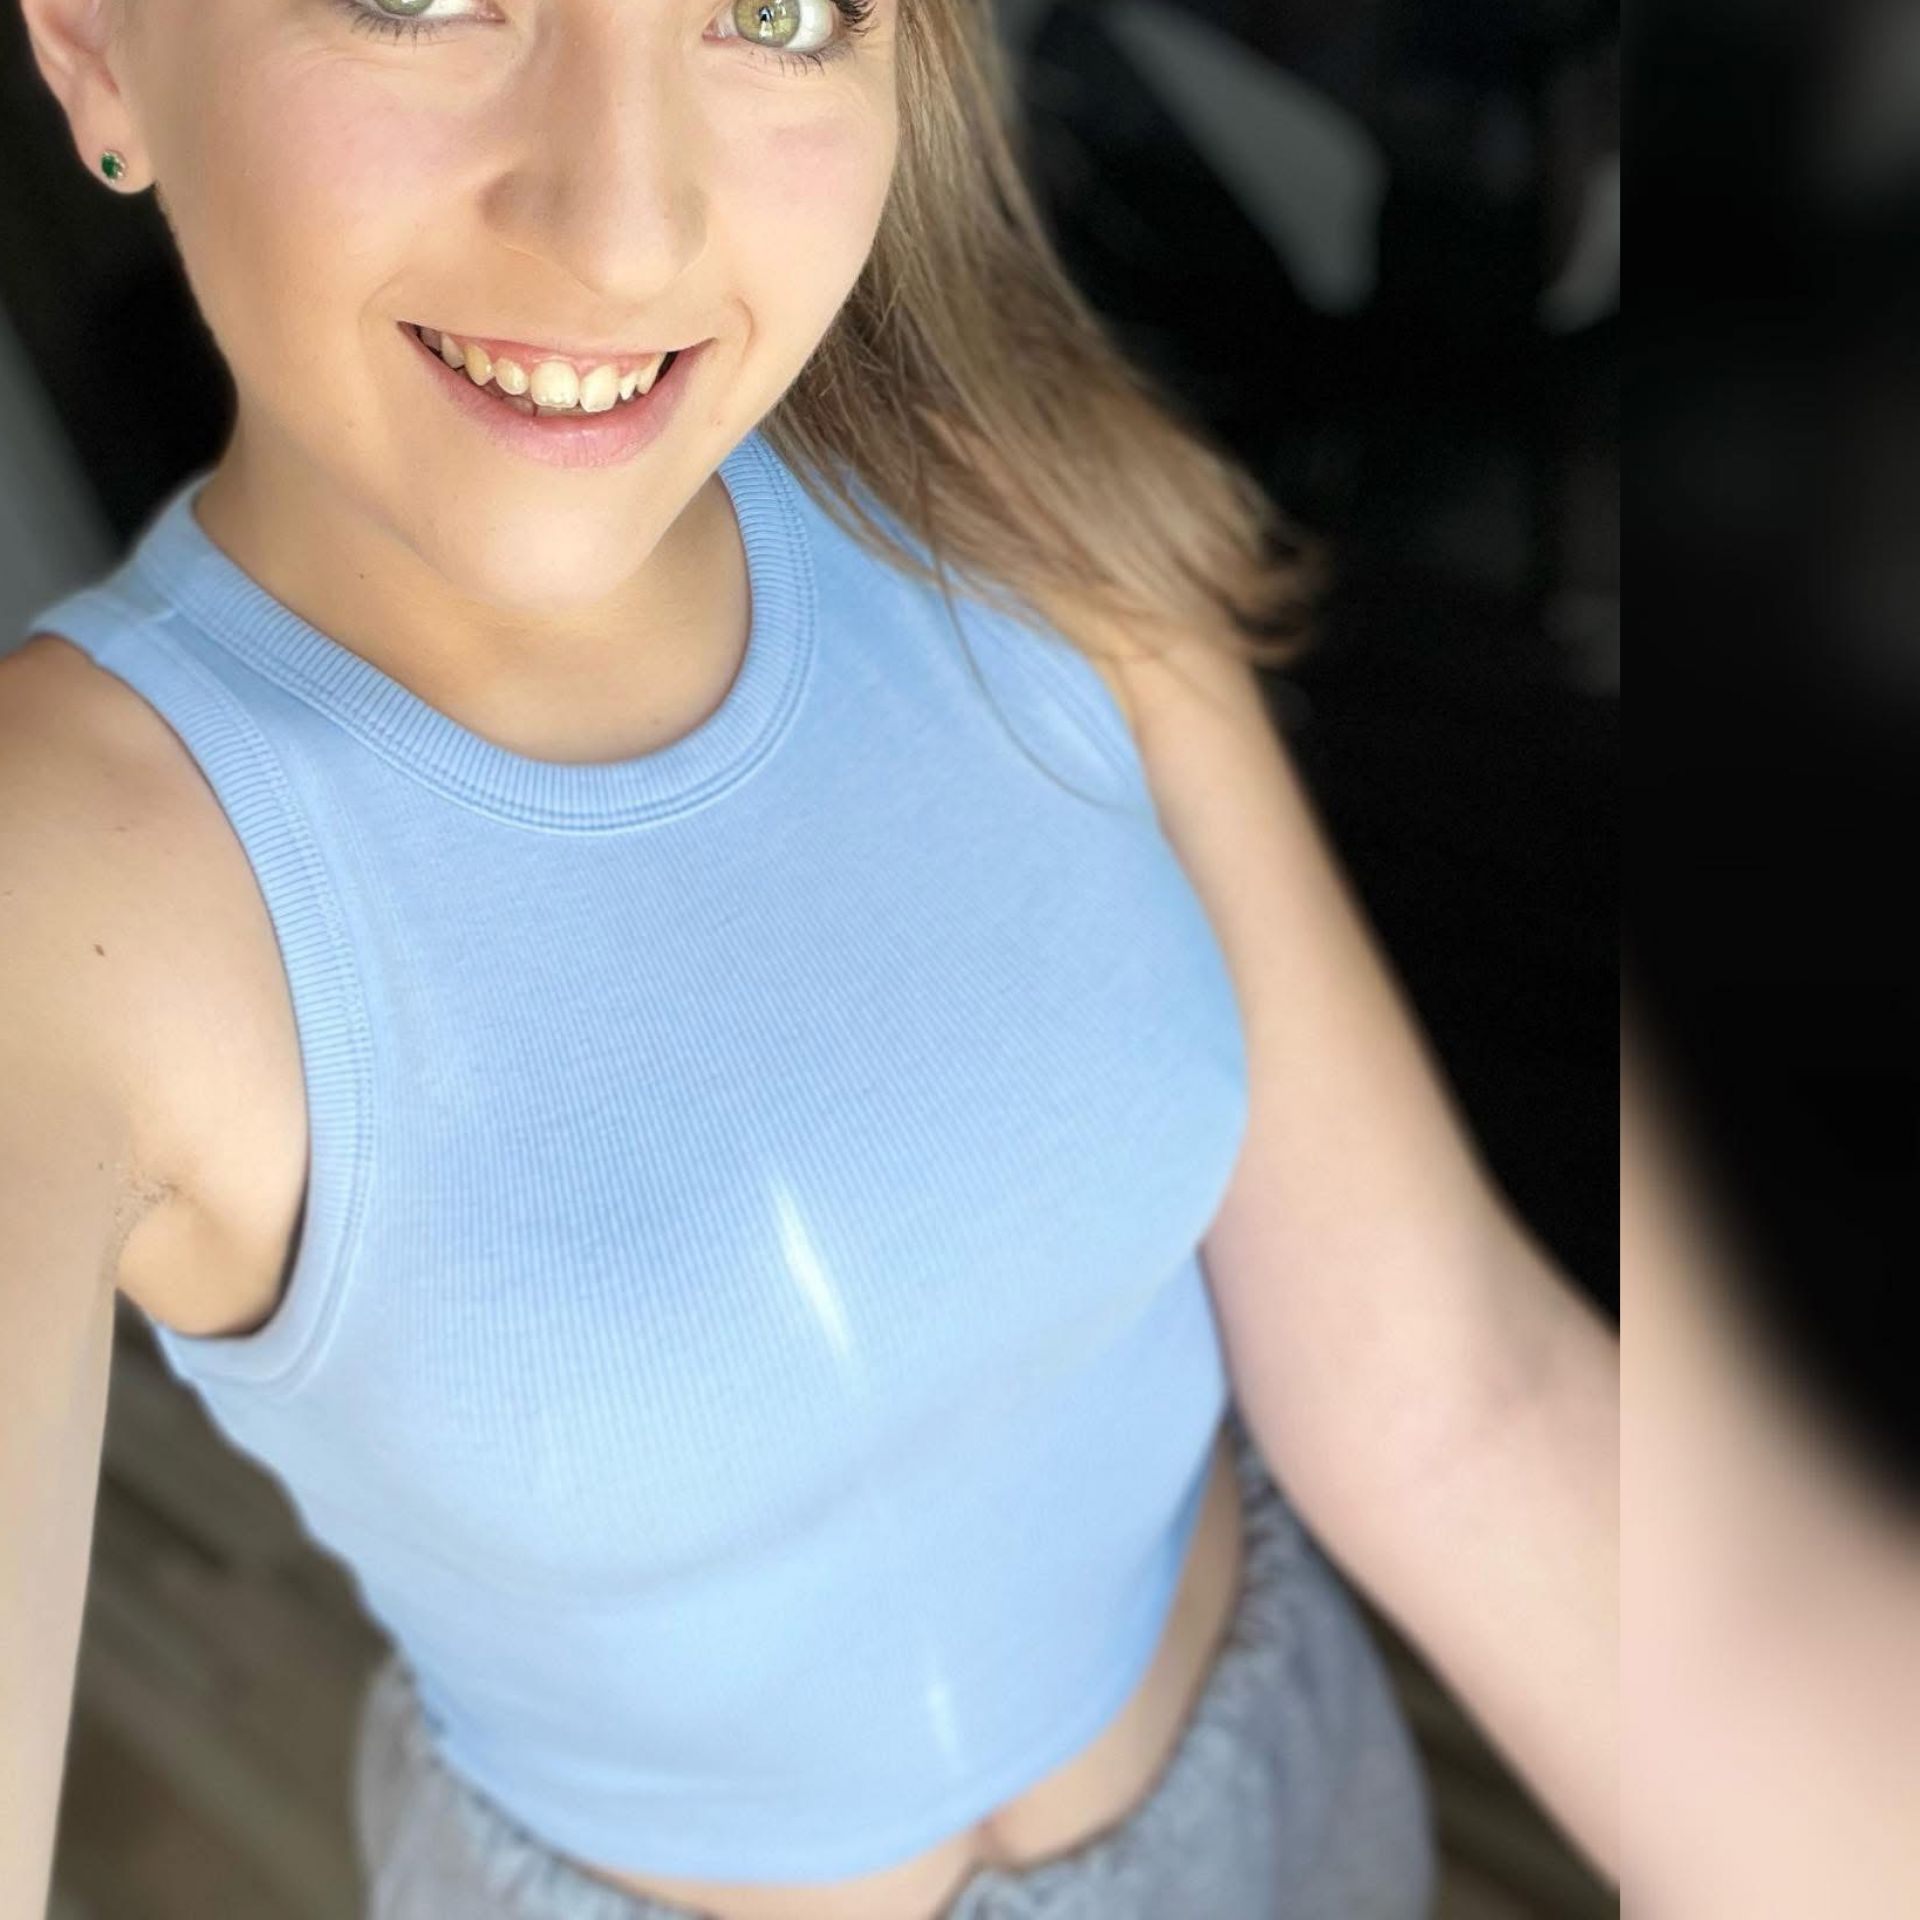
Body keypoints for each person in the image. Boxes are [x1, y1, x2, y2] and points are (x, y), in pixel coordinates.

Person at [4, 0, 1619, 1915]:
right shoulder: (66, 882)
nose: (627, 232)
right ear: (95, 39)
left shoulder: (1008, 500)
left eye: (777, 10)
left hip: (1296, 1813)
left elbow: (1467, 1400)